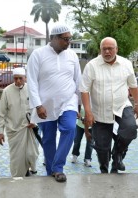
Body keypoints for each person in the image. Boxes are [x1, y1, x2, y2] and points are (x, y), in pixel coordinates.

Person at [27, 23, 81, 182]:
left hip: (68, 102)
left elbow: (78, 81)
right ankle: (52, 170)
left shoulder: (72, 55)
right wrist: (38, 105)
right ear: (54, 38)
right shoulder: (38, 55)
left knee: (70, 129)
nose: (68, 42)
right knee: (49, 138)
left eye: (70, 38)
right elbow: (31, 81)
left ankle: (58, 167)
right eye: (65, 39)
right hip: (45, 105)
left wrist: (79, 106)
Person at [80, 37, 138, 174]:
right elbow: (84, 90)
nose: (107, 51)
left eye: (110, 48)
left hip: (122, 105)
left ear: (116, 49)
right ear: (100, 50)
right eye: (104, 49)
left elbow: (133, 85)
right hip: (99, 110)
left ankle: (118, 154)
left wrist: (137, 104)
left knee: (130, 129)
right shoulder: (92, 66)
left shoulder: (126, 64)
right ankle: (104, 170)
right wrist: (88, 112)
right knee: (102, 147)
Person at [0, 67, 39, 177]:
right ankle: (18, 177)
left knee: (32, 154)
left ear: (25, 78)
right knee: (17, 158)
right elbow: (1, 113)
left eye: (20, 78)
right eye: (15, 79)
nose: (18, 81)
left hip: (29, 128)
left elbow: (37, 107)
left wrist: (34, 121)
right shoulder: (7, 91)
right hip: (14, 130)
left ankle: (30, 170)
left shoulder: (31, 89)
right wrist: (1, 132)